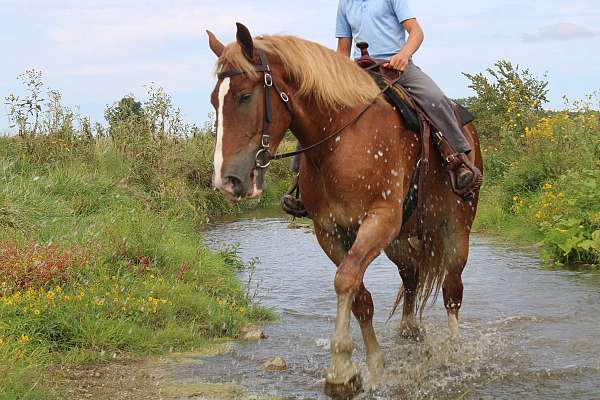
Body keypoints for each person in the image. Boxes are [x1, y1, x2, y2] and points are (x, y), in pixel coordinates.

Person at [282, 0, 479, 218]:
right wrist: (334, 77)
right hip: (359, 70)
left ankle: (456, 160)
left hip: (396, 67)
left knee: (435, 98)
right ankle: (302, 185)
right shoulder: (345, 3)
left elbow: (416, 32)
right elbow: (343, 49)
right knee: (319, 105)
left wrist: (404, 55)